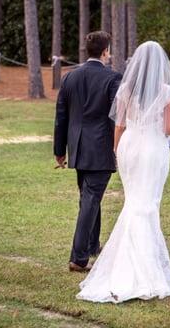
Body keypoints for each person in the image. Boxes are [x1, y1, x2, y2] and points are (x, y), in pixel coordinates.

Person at [76, 41, 170, 303]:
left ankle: (128, 262)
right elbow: (168, 129)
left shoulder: (126, 90)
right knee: (148, 204)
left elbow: (118, 126)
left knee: (133, 202)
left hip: (129, 147)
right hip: (153, 149)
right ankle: (145, 268)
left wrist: (117, 151)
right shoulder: (166, 91)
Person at [54, 31, 122, 272]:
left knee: (89, 198)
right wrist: (120, 146)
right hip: (100, 148)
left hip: (78, 149)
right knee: (90, 200)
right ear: (105, 52)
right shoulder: (113, 78)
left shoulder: (69, 77)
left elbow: (60, 116)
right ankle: (79, 258)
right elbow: (118, 116)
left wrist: (59, 150)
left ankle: (93, 246)